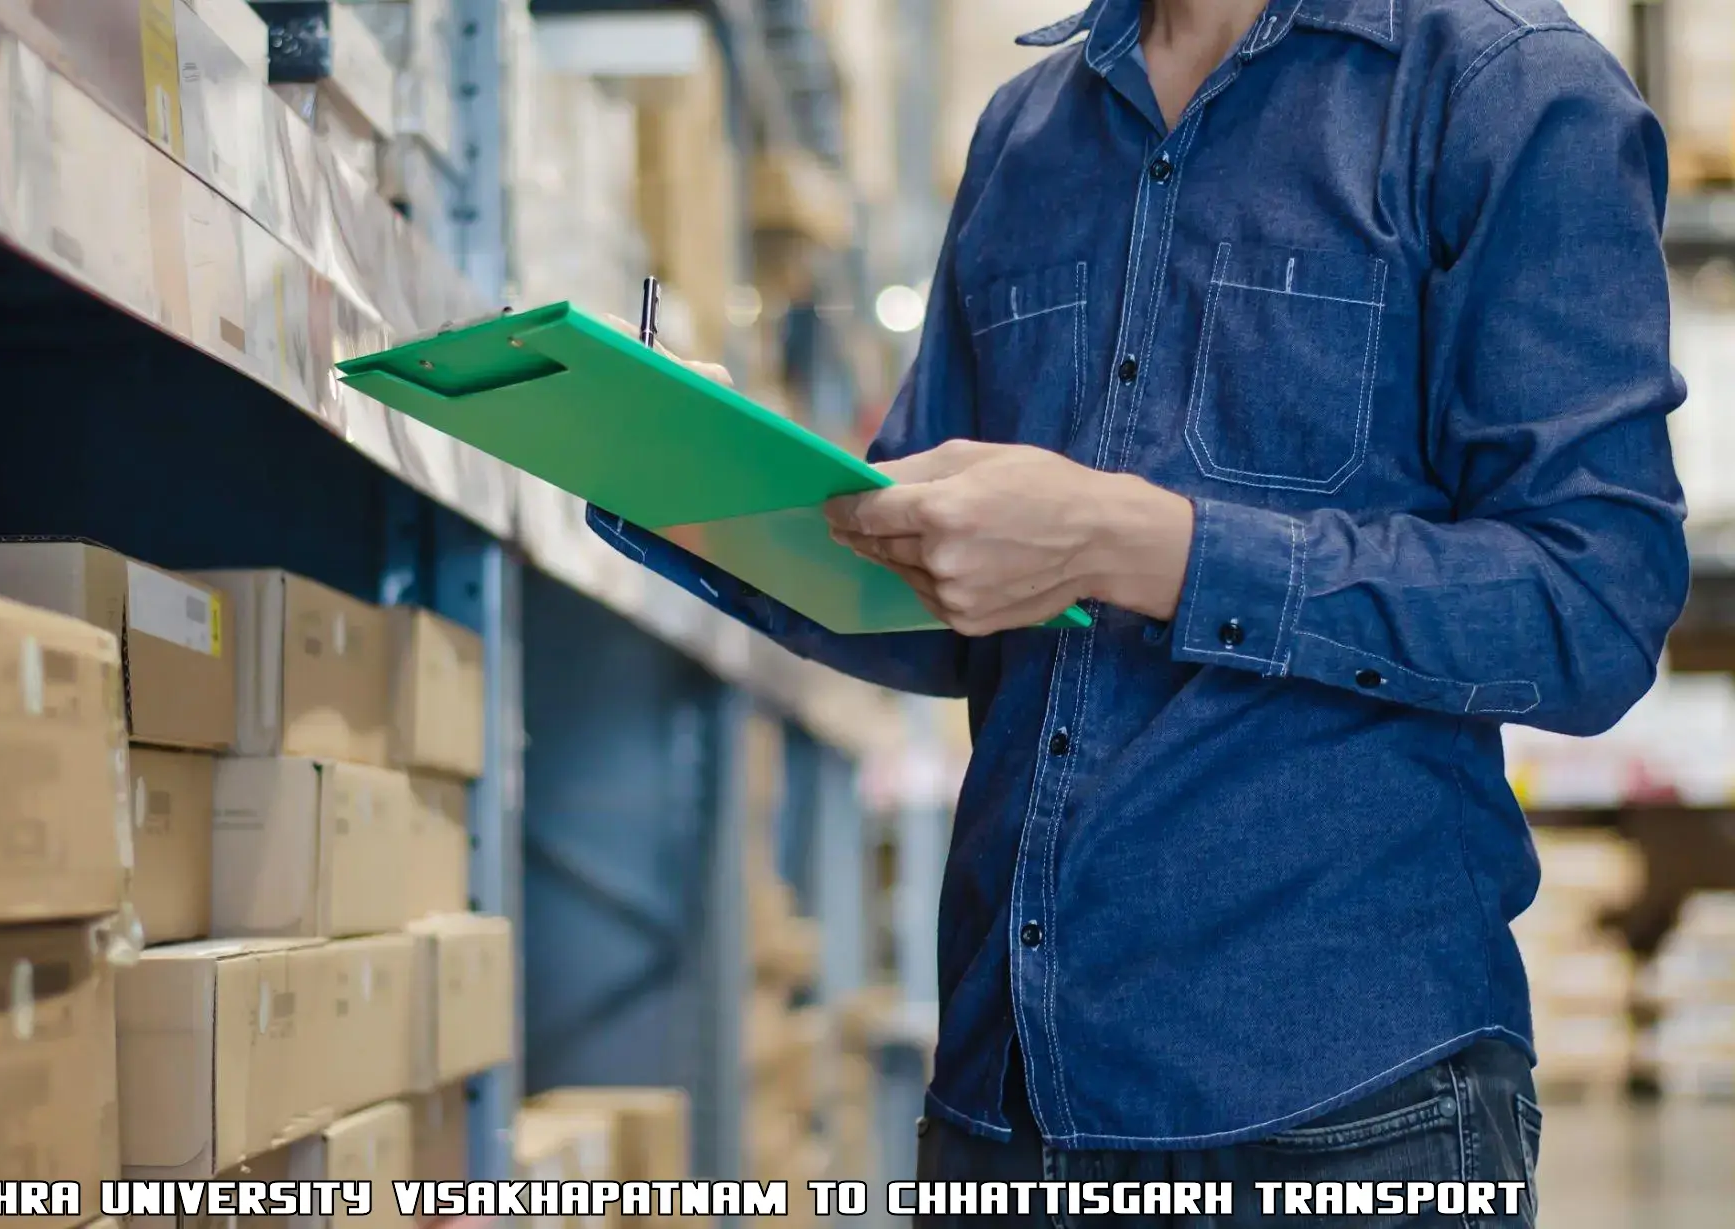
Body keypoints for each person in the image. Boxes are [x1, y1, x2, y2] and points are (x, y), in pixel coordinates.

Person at [592, 0, 1688, 1221]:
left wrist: (1140, 546)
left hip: (1338, 1113)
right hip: (1001, 1105)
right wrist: (700, 492)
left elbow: (1588, 602)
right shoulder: (1026, 133)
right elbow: (940, 590)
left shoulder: (1499, 88)